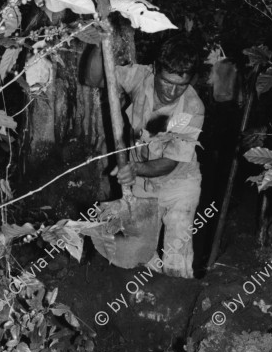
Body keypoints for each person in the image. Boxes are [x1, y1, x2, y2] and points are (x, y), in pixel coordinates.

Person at [84, 34, 205, 278]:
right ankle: (146, 301)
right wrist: (98, 45)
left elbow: (170, 162)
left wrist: (135, 169)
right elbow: (93, 79)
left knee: (176, 248)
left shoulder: (193, 107)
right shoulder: (141, 76)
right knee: (142, 252)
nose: (172, 91)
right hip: (141, 183)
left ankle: (176, 294)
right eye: (166, 81)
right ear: (155, 69)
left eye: (180, 85)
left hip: (178, 183)